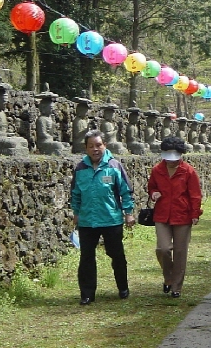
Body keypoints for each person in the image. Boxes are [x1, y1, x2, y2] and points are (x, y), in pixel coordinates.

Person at [70, 129, 135, 305]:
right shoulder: (81, 168)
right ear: (86, 148)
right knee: (86, 258)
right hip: (87, 221)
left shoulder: (114, 166)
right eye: (91, 146)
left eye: (98, 145)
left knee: (116, 255)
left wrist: (128, 213)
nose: (95, 149)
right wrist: (76, 212)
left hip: (111, 219)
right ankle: (87, 294)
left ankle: (123, 286)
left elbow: (126, 191)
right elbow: (75, 193)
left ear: (105, 145)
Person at [148, 137, 203, 299]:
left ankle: (176, 286)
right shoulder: (157, 170)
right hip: (162, 214)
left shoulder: (188, 171)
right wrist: (153, 194)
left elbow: (195, 195)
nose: (171, 162)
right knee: (163, 249)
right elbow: (151, 187)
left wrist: (194, 214)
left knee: (180, 252)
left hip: (182, 215)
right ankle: (169, 277)